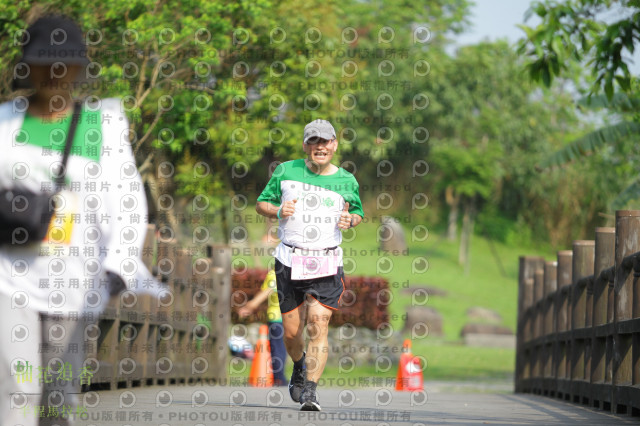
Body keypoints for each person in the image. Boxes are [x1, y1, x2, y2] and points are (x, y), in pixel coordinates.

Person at [0, 15, 152, 426]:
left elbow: (126, 199)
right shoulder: (5, 122)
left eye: (62, 63)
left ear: (80, 68)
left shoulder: (99, 124)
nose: (53, 72)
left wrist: (119, 264)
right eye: (42, 62)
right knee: (18, 388)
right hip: (9, 275)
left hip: (74, 277)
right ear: (25, 66)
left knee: (57, 394)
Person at [256, 119, 364, 411]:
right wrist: (278, 209)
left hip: (326, 260)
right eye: (314, 141)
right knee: (291, 331)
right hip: (289, 259)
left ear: (334, 145)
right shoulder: (286, 171)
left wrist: (350, 220)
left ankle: (311, 392)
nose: (320, 146)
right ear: (305, 145)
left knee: (319, 323)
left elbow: (357, 213)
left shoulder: (347, 180)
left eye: (325, 141)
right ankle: (299, 366)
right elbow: (261, 203)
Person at [237, 269, 288, 386]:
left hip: (277, 318)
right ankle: (296, 375)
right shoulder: (293, 272)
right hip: (292, 317)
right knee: (289, 347)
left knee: (278, 348)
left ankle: (279, 378)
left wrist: (250, 306)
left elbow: (268, 291)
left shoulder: (276, 273)